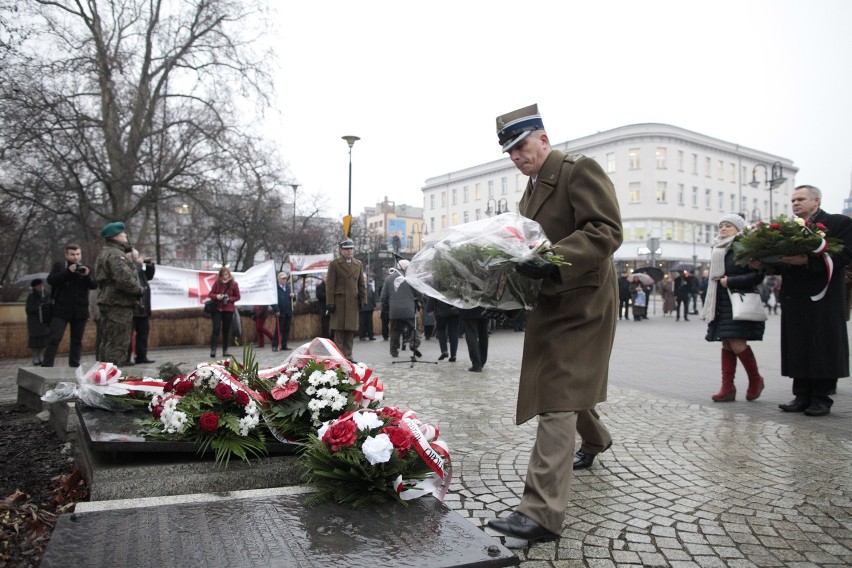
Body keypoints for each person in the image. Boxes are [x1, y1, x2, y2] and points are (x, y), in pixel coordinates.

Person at [485, 104, 622, 543]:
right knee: (564, 384)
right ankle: (596, 439)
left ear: (543, 137)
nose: (516, 156)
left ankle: (542, 513)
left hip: (584, 300)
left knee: (558, 394)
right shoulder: (528, 193)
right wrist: (508, 293)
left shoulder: (579, 170)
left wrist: (552, 262)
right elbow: (526, 249)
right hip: (553, 299)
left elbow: (605, 230)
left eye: (521, 146)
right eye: (509, 152)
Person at [774, 185, 852, 416]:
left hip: (824, 298)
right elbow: (782, 259)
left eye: (800, 199)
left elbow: (845, 254)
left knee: (823, 346)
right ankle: (801, 395)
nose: (795, 203)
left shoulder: (838, 223)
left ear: (816, 201)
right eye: (793, 200)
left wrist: (808, 261)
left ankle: (821, 397)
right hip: (795, 297)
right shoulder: (788, 229)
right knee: (798, 345)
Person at [701, 214, 765, 402]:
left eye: (728, 226)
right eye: (721, 226)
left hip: (738, 302)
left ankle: (755, 380)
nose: (723, 229)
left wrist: (731, 281)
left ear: (739, 229)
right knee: (727, 343)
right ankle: (728, 387)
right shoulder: (718, 249)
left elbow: (758, 276)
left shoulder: (744, 248)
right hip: (722, 303)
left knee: (737, 343)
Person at [94, 222, 144, 366]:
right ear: (115, 236)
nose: (125, 235)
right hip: (118, 303)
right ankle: (112, 377)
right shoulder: (116, 255)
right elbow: (124, 280)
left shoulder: (106, 252)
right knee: (118, 343)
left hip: (109, 301)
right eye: (122, 233)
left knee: (107, 341)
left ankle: (103, 373)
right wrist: (139, 290)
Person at [42, 243, 98, 367]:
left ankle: (74, 365)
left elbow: (94, 285)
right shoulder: (60, 266)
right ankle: (47, 365)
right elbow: (51, 280)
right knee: (54, 338)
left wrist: (87, 275)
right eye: (72, 254)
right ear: (66, 254)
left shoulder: (86, 267)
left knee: (77, 340)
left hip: (80, 310)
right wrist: (68, 271)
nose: (75, 257)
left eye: (78, 254)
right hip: (61, 310)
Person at [325, 239, 366, 360]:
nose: (349, 251)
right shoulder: (335, 264)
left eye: (351, 249)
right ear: (341, 251)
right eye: (347, 249)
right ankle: (338, 357)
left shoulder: (358, 264)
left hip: (353, 303)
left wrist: (363, 300)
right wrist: (330, 303)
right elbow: (330, 285)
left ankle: (348, 357)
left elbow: (361, 284)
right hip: (339, 303)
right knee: (339, 332)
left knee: (350, 331)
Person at [379, 260, 422, 358]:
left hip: (394, 311)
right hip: (409, 310)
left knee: (395, 330)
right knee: (414, 328)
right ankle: (414, 344)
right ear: (406, 268)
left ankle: (394, 351)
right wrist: (417, 301)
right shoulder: (411, 278)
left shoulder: (389, 279)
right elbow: (419, 294)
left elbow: (383, 297)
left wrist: (387, 307)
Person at [126, 249, 156, 365]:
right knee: (128, 335)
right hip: (132, 308)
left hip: (143, 308)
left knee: (143, 334)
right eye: (137, 257)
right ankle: (126, 358)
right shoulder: (127, 269)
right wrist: (138, 263)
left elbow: (149, 276)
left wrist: (149, 265)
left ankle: (141, 356)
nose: (140, 259)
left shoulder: (140, 272)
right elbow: (132, 275)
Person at [208, 266, 241, 359]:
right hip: (217, 309)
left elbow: (238, 297)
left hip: (228, 309)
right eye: (223, 275)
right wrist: (217, 296)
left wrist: (229, 299)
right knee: (216, 329)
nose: (225, 276)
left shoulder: (234, 284)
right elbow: (210, 294)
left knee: (226, 330)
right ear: (220, 275)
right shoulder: (217, 283)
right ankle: (213, 349)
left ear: (229, 274)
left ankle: (225, 350)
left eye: (226, 274)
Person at [25, 279, 52, 365]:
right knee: (35, 342)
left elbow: (50, 306)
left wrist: (46, 304)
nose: (40, 286)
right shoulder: (31, 297)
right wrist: (38, 304)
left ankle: (41, 355)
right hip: (34, 322)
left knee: (43, 341)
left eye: (41, 284)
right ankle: (35, 356)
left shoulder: (47, 295)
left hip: (44, 322)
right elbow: (28, 309)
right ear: (34, 287)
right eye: (38, 285)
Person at [460, 307, 487, 372]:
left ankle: (477, 363)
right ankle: (482, 361)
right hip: (484, 307)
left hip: (469, 307)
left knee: (471, 333)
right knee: (483, 333)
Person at [272, 271, 294, 351]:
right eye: (283, 278)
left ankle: (284, 344)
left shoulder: (288, 287)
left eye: (285, 278)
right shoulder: (275, 288)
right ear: (279, 279)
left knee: (286, 329)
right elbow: (273, 300)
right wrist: (276, 309)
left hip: (288, 311)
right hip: (280, 312)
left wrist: (293, 296)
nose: (284, 280)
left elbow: (293, 300)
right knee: (278, 329)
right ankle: (275, 345)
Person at [358, 274, 377, 341]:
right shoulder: (358, 286)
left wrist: (374, 305)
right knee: (362, 323)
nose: (364, 279)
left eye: (365, 278)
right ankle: (362, 336)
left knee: (370, 323)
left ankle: (371, 335)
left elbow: (372, 296)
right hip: (362, 308)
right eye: (363, 278)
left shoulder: (369, 286)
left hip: (370, 307)